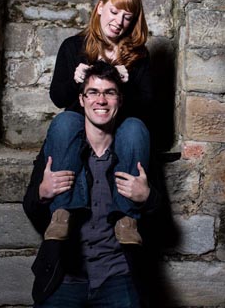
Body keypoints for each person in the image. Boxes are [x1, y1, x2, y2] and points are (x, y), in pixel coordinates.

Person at [23, 61, 160, 307]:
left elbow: (161, 218)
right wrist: (43, 193)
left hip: (118, 275)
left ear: (120, 99)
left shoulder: (134, 149)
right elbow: (31, 207)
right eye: (93, 92)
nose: (101, 100)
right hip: (65, 275)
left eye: (109, 92)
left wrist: (147, 197)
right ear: (82, 99)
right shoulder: (60, 146)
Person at [42, 0, 153, 245]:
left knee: (135, 127)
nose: (119, 22)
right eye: (115, 12)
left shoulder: (138, 55)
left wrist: (128, 85)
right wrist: (74, 79)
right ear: (100, 7)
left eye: (128, 17)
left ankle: (127, 218)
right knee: (66, 121)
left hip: (119, 128)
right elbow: (58, 98)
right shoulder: (73, 46)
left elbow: (149, 108)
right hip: (82, 126)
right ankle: (62, 212)